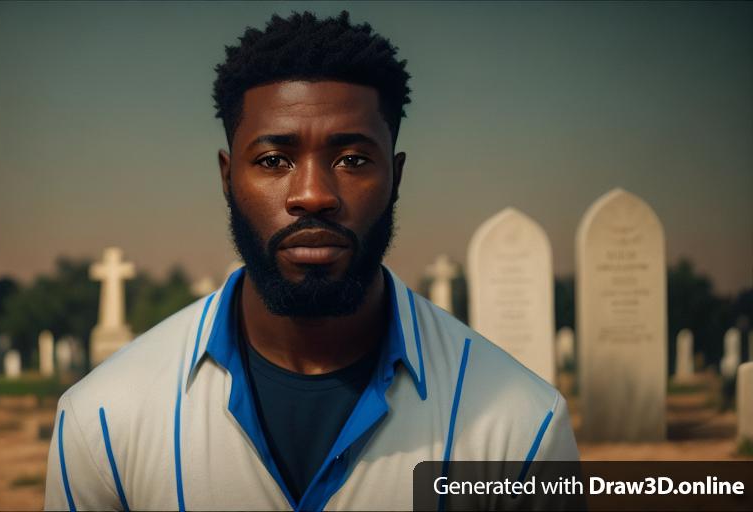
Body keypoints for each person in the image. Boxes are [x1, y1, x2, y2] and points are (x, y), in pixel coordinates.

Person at [44, 11, 578, 511]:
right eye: (274, 160)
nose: (313, 194)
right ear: (228, 177)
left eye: (352, 159)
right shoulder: (102, 422)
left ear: (396, 176)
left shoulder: (523, 427)